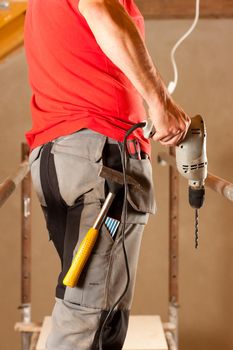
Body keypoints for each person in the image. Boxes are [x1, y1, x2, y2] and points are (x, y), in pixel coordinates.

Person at [24, 0, 190, 349]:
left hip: (68, 157)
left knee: (97, 314)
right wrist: (160, 103)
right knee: (89, 318)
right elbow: (100, 9)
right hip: (98, 158)